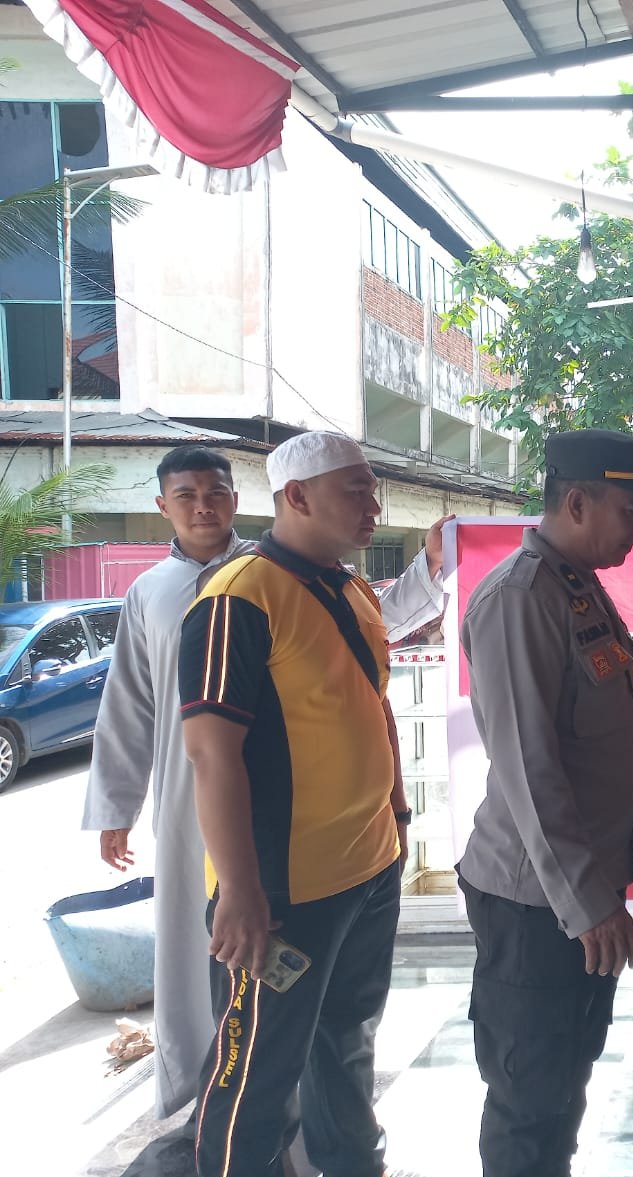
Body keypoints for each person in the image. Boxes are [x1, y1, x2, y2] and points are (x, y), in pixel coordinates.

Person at [85, 445, 449, 1124]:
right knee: (232, 1002)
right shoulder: (185, 594)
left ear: (239, 498)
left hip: (330, 845)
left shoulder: (319, 579)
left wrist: (395, 816)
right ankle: (215, 1118)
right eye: (187, 495)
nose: (204, 507)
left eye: (216, 493)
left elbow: (367, 657)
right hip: (212, 808)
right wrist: (118, 805)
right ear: (163, 506)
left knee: (331, 1019)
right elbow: (132, 705)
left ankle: (331, 1151)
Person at [179, 432, 447, 1177]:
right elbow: (211, 756)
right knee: (256, 1068)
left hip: (367, 865)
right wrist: (240, 892)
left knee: (347, 1035)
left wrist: (395, 825)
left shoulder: (348, 587)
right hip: (282, 892)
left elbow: (363, 696)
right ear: (296, 496)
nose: (374, 506)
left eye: (373, 489)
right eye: (356, 490)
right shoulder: (237, 597)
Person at [456, 429, 633, 1177]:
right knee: (529, 1088)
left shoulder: (573, 583)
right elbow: (530, 769)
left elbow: (600, 727)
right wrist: (587, 904)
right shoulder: (519, 598)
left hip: (578, 884)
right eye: (631, 507)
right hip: (536, 900)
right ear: (576, 502)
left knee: (567, 1069)